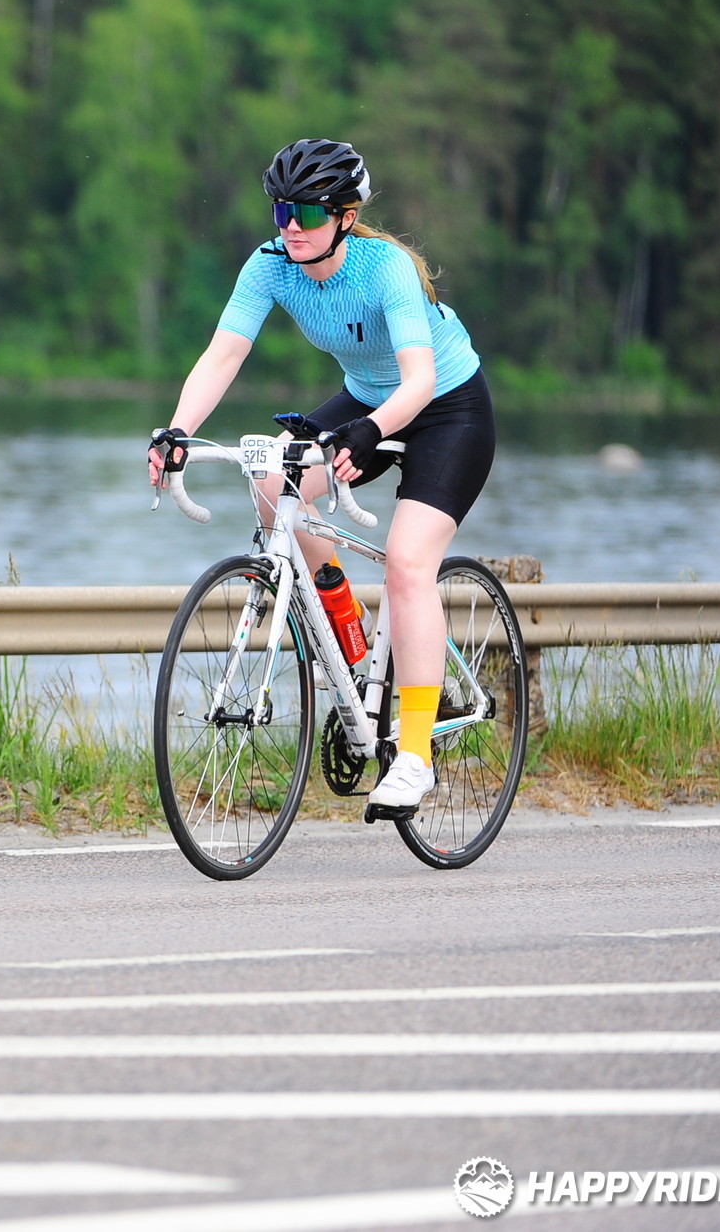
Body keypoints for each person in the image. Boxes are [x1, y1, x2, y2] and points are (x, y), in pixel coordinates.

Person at [148, 137, 495, 813]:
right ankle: (348, 630)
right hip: (367, 398)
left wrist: (371, 431)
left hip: (448, 408)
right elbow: (222, 356)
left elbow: (419, 381)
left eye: (306, 213)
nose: (290, 227)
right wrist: (178, 431)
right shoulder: (270, 265)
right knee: (269, 480)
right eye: (281, 212)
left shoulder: (385, 268)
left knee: (407, 565)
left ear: (344, 216)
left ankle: (415, 757)